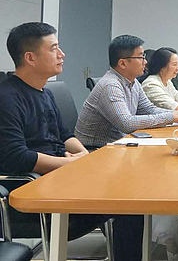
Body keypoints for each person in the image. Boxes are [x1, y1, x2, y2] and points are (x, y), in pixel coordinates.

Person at [0, 22, 144, 260]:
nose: (62, 54)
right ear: (30, 58)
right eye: (53, 48)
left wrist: (84, 156)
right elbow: (17, 156)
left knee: (132, 189)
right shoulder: (7, 98)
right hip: (31, 190)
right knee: (128, 200)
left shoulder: (45, 92)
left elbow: (65, 134)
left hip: (60, 177)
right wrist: (70, 164)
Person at [75, 35, 178, 149]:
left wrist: (175, 113)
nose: (145, 62)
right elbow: (127, 123)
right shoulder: (110, 85)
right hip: (95, 149)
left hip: (119, 144)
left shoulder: (133, 83)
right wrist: (170, 116)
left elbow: (148, 109)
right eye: (141, 57)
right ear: (122, 63)